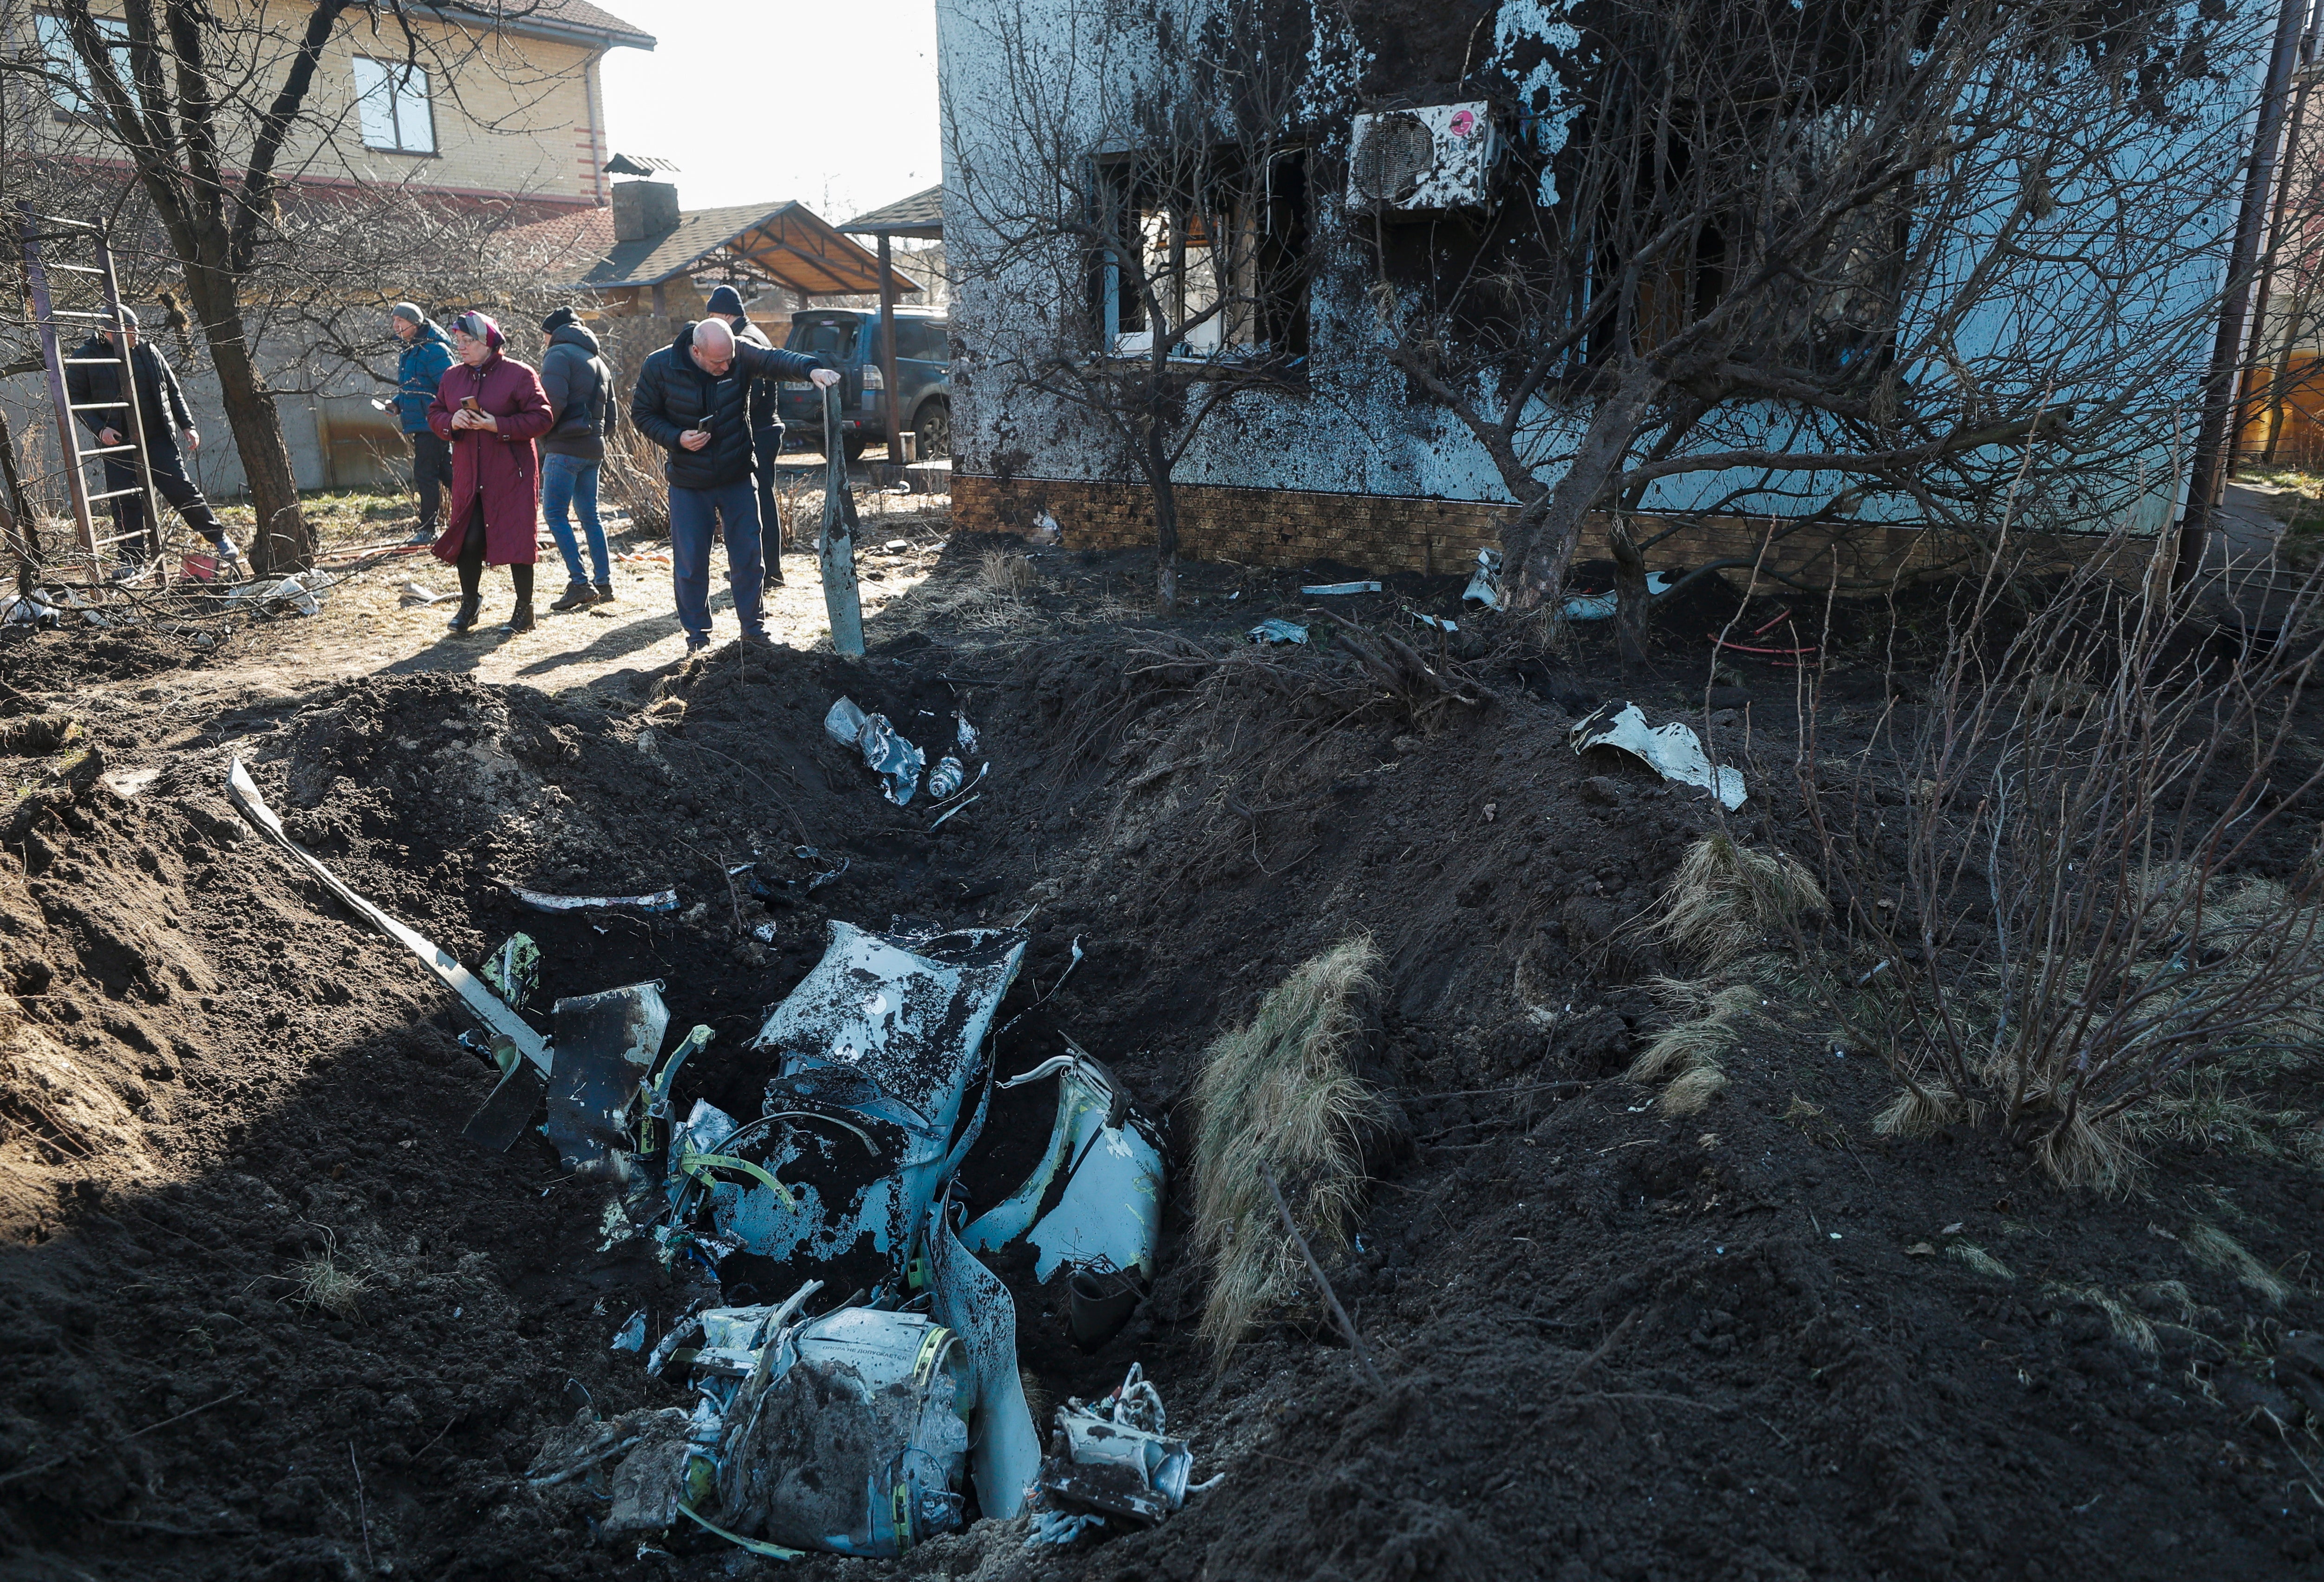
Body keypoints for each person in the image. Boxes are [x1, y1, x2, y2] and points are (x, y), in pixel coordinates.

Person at [630, 317, 836, 652]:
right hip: (688, 481)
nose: (727, 367)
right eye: (718, 362)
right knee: (691, 563)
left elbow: (773, 360)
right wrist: (677, 438)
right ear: (696, 351)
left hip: (737, 474)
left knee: (749, 559)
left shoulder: (737, 355)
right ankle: (698, 639)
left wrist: (811, 369)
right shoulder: (659, 365)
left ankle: (753, 632)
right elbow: (642, 414)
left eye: (730, 359)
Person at [62, 309, 243, 577]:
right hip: (118, 443)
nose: (136, 335)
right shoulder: (85, 357)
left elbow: (172, 391)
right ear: (110, 333)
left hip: (157, 437)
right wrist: (100, 429)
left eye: (136, 330)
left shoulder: (149, 352)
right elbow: (75, 399)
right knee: (125, 501)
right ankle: (131, 562)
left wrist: (187, 426)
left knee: (180, 488)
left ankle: (219, 538)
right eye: (130, 332)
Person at [426, 311, 553, 634]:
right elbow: (436, 413)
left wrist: (499, 425)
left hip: (512, 475)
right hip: (469, 474)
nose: (461, 347)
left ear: (488, 342)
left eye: (468, 341)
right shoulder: (453, 377)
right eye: (459, 341)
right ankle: (470, 603)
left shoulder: (520, 374)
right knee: (467, 540)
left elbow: (543, 418)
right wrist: (451, 422)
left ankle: (525, 610)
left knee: (518, 541)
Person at [705, 284, 787, 589]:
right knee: (762, 499)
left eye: (714, 317)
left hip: (758, 430)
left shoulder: (743, 341)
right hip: (766, 427)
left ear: (727, 314)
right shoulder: (754, 333)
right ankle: (768, 569)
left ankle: (765, 571)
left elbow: (749, 392)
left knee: (758, 502)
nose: (711, 325)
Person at [536, 305, 616, 612]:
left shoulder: (558, 355)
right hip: (593, 449)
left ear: (551, 333)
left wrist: (542, 436)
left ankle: (580, 583)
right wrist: (593, 438)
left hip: (564, 448)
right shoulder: (599, 361)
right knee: (590, 516)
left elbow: (551, 404)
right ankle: (604, 582)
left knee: (555, 514)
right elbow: (612, 420)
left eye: (544, 335)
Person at [391, 303, 455, 545]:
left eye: (401, 321)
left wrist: (441, 417)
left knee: (426, 474)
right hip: (423, 424)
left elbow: (450, 387)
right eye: (394, 321)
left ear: (414, 324)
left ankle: (428, 529)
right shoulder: (410, 350)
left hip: (434, 424)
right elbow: (415, 388)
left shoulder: (433, 350)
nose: (396, 326)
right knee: (447, 474)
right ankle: (480, 514)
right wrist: (397, 403)